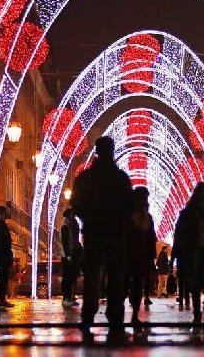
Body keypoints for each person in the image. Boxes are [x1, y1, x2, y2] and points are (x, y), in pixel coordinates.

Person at [71, 136, 134, 337]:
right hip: (114, 233)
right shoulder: (121, 178)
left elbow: (76, 202)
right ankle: (115, 318)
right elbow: (129, 205)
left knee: (92, 276)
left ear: (97, 151)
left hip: (93, 232)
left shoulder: (86, 178)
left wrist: (88, 217)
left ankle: (88, 316)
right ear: (112, 151)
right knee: (115, 276)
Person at [172, 182, 204, 325]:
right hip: (194, 249)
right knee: (196, 281)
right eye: (202, 192)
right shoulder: (188, 212)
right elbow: (180, 233)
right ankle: (197, 311)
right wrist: (179, 251)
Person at [126, 186, 156, 324]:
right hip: (129, 253)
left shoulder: (147, 217)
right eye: (143, 197)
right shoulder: (127, 215)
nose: (144, 200)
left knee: (138, 283)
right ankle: (122, 314)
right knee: (126, 283)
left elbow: (151, 238)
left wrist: (151, 257)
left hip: (141, 254)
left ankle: (134, 316)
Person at [60, 208, 82, 307]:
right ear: (69, 215)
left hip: (74, 254)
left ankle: (71, 297)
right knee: (67, 277)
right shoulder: (66, 226)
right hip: (67, 255)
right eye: (72, 214)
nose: (74, 215)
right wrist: (68, 255)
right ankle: (66, 298)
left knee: (73, 277)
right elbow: (65, 242)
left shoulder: (73, 225)